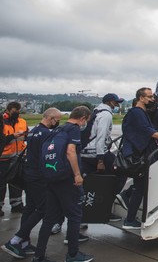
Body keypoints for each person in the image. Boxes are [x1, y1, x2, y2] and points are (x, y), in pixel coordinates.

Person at [33, 106, 93, 262]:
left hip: (52, 178)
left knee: (49, 218)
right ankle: (73, 254)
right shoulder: (74, 129)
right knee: (74, 216)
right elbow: (70, 151)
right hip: (66, 179)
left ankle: (39, 255)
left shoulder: (58, 129)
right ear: (83, 118)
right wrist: (77, 174)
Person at [1, 108, 61, 259]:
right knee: (44, 209)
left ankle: (24, 241)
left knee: (30, 208)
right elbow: (47, 156)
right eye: (57, 120)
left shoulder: (34, 131)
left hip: (29, 174)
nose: (57, 122)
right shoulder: (47, 134)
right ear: (51, 118)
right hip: (38, 176)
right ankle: (16, 240)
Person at [121, 88, 158, 230]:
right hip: (139, 155)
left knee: (140, 186)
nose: (152, 99)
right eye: (149, 97)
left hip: (137, 154)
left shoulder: (138, 113)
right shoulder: (137, 113)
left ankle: (128, 202)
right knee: (140, 187)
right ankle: (129, 219)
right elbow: (147, 130)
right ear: (141, 98)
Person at [81, 93, 125, 221]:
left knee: (87, 184)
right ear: (110, 102)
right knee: (121, 173)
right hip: (97, 152)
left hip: (85, 152)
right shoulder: (106, 115)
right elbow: (101, 137)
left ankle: (85, 214)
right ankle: (107, 204)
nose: (118, 105)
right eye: (116, 102)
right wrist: (100, 159)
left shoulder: (96, 111)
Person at [1, 101, 27, 215]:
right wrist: (12, 136)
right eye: (15, 111)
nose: (17, 113)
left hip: (18, 157)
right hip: (3, 158)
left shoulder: (22, 121)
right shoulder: (2, 122)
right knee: (1, 183)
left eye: (18, 111)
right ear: (8, 110)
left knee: (16, 182)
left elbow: (26, 136)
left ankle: (16, 204)